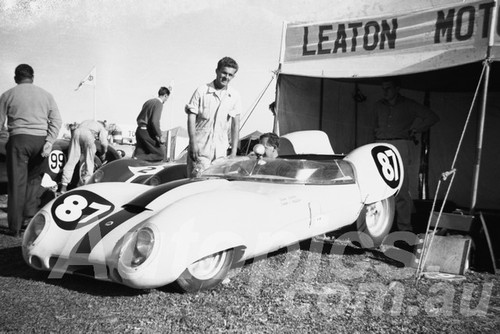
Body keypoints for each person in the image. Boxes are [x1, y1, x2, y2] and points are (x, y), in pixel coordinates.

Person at [0, 64, 62, 237]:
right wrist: (49, 141)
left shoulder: (7, 95)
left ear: (15, 78)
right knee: (34, 180)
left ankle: (14, 227)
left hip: (19, 140)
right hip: (40, 142)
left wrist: (7, 139)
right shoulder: (46, 95)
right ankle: (28, 219)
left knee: (17, 184)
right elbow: (57, 120)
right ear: (32, 77)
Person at [373, 77, 439, 233]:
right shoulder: (378, 106)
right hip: (380, 144)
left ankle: (404, 227)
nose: (385, 92)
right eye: (383, 88)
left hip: (400, 144)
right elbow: (374, 126)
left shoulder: (408, 104)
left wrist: (416, 129)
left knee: (401, 186)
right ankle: (380, 225)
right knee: (379, 186)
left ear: (397, 89)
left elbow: (432, 117)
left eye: (388, 88)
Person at [185, 56, 241, 177]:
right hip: (200, 151)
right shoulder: (202, 91)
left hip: (220, 154)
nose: (226, 77)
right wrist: (193, 142)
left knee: (214, 186)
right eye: (224, 73)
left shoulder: (234, 96)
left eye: (230, 75)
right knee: (196, 184)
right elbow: (191, 117)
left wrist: (234, 151)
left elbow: (236, 124)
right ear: (217, 71)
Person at [59, 119, 109, 192]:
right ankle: (87, 186)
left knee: (71, 160)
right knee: (89, 161)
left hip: (76, 132)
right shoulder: (101, 127)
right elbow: (104, 143)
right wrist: (103, 153)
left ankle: (63, 186)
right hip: (88, 135)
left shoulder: (87, 121)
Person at [134, 86, 171, 161]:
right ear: (165, 96)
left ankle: (135, 160)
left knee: (140, 153)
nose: (166, 100)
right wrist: (160, 135)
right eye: (167, 98)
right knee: (159, 155)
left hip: (139, 131)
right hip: (146, 132)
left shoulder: (148, 102)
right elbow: (154, 121)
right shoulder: (158, 104)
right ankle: (137, 158)